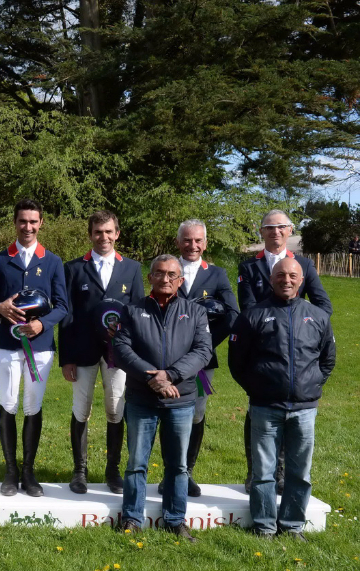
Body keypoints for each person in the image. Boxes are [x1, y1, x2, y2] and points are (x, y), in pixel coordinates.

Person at [229, 258, 335, 540]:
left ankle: (291, 526)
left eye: (292, 275)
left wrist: (310, 386)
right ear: (271, 279)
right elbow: (237, 363)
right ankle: (264, 525)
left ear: (301, 281)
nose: (286, 279)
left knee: (299, 473)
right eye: (280, 275)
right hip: (265, 407)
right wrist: (258, 388)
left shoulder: (317, 316)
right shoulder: (252, 315)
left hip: (304, 409)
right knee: (263, 472)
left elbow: (327, 360)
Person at [112, 255, 211, 540]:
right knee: (136, 463)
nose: (165, 279)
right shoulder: (131, 311)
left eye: (171, 275)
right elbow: (121, 350)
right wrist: (151, 377)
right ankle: (131, 518)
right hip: (142, 399)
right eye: (159, 273)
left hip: (181, 400)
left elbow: (203, 351)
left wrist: (171, 375)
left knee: (178, 465)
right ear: (150, 278)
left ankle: (175, 519)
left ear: (180, 280)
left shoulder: (195, 313)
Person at [237, 209, 332, 492]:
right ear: (261, 232)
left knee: (291, 415)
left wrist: (307, 325)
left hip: (295, 349)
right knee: (258, 411)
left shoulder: (304, 264)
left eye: (281, 227)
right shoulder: (248, 267)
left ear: (290, 231)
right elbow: (247, 309)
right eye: (269, 227)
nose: (275, 232)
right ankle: (255, 471)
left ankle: (279, 473)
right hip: (260, 347)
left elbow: (323, 305)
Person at [0, 199, 68, 496]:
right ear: (14, 223)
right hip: (6, 344)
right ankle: (10, 470)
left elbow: (63, 306)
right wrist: (0, 308)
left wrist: (43, 325)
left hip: (40, 346)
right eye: (22, 221)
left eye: (33, 222)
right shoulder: (0, 260)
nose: (27, 227)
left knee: (33, 405)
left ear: (41, 223)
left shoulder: (53, 261)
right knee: (8, 403)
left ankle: (28, 472)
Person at [58, 211, 144, 494]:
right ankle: (79, 471)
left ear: (117, 233)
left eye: (109, 232)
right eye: (98, 232)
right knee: (81, 410)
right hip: (82, 352)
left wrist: (133, 354)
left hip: (117, 354)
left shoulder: (131, 269)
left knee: (115, 409)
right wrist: (66, 357)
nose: (103, 237)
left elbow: (138, 313)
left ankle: (113, 471)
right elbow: (67, 315)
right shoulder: (74, 268)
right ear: (90, 234)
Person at [164, 219, 239, 496]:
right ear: (178, 242)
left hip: (202, 361)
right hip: (166, 359)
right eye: (187, 240)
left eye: (198, 240)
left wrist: (204, 345)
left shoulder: (217, 275)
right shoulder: (166, 270)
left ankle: (187, 473)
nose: (192, 245)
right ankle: (167, 474)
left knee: (196, 413)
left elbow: (232, 315)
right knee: (168, 413)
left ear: (205, 243)